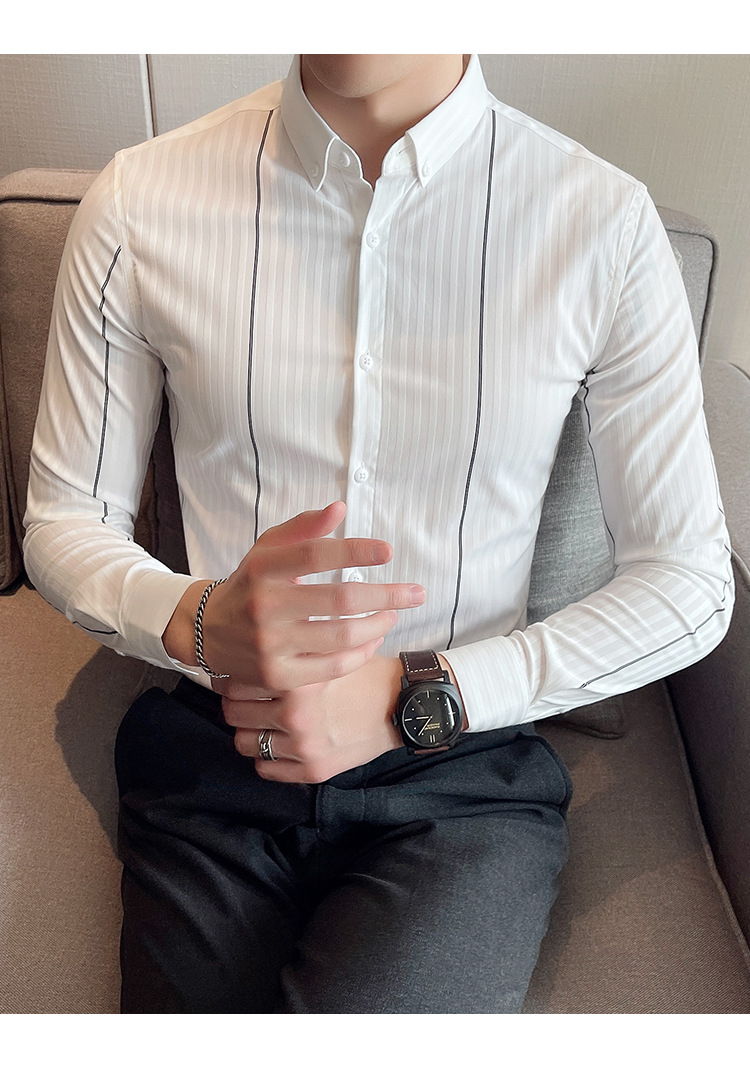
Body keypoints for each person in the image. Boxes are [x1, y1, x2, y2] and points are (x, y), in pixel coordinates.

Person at [23, 54, 733, 1014]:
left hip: (463, 775)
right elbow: (65, 517)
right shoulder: (139, 202)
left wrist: (425, 693)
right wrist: (197, 618)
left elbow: (690, 581)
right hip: (215, 752)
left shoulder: (602, 223)